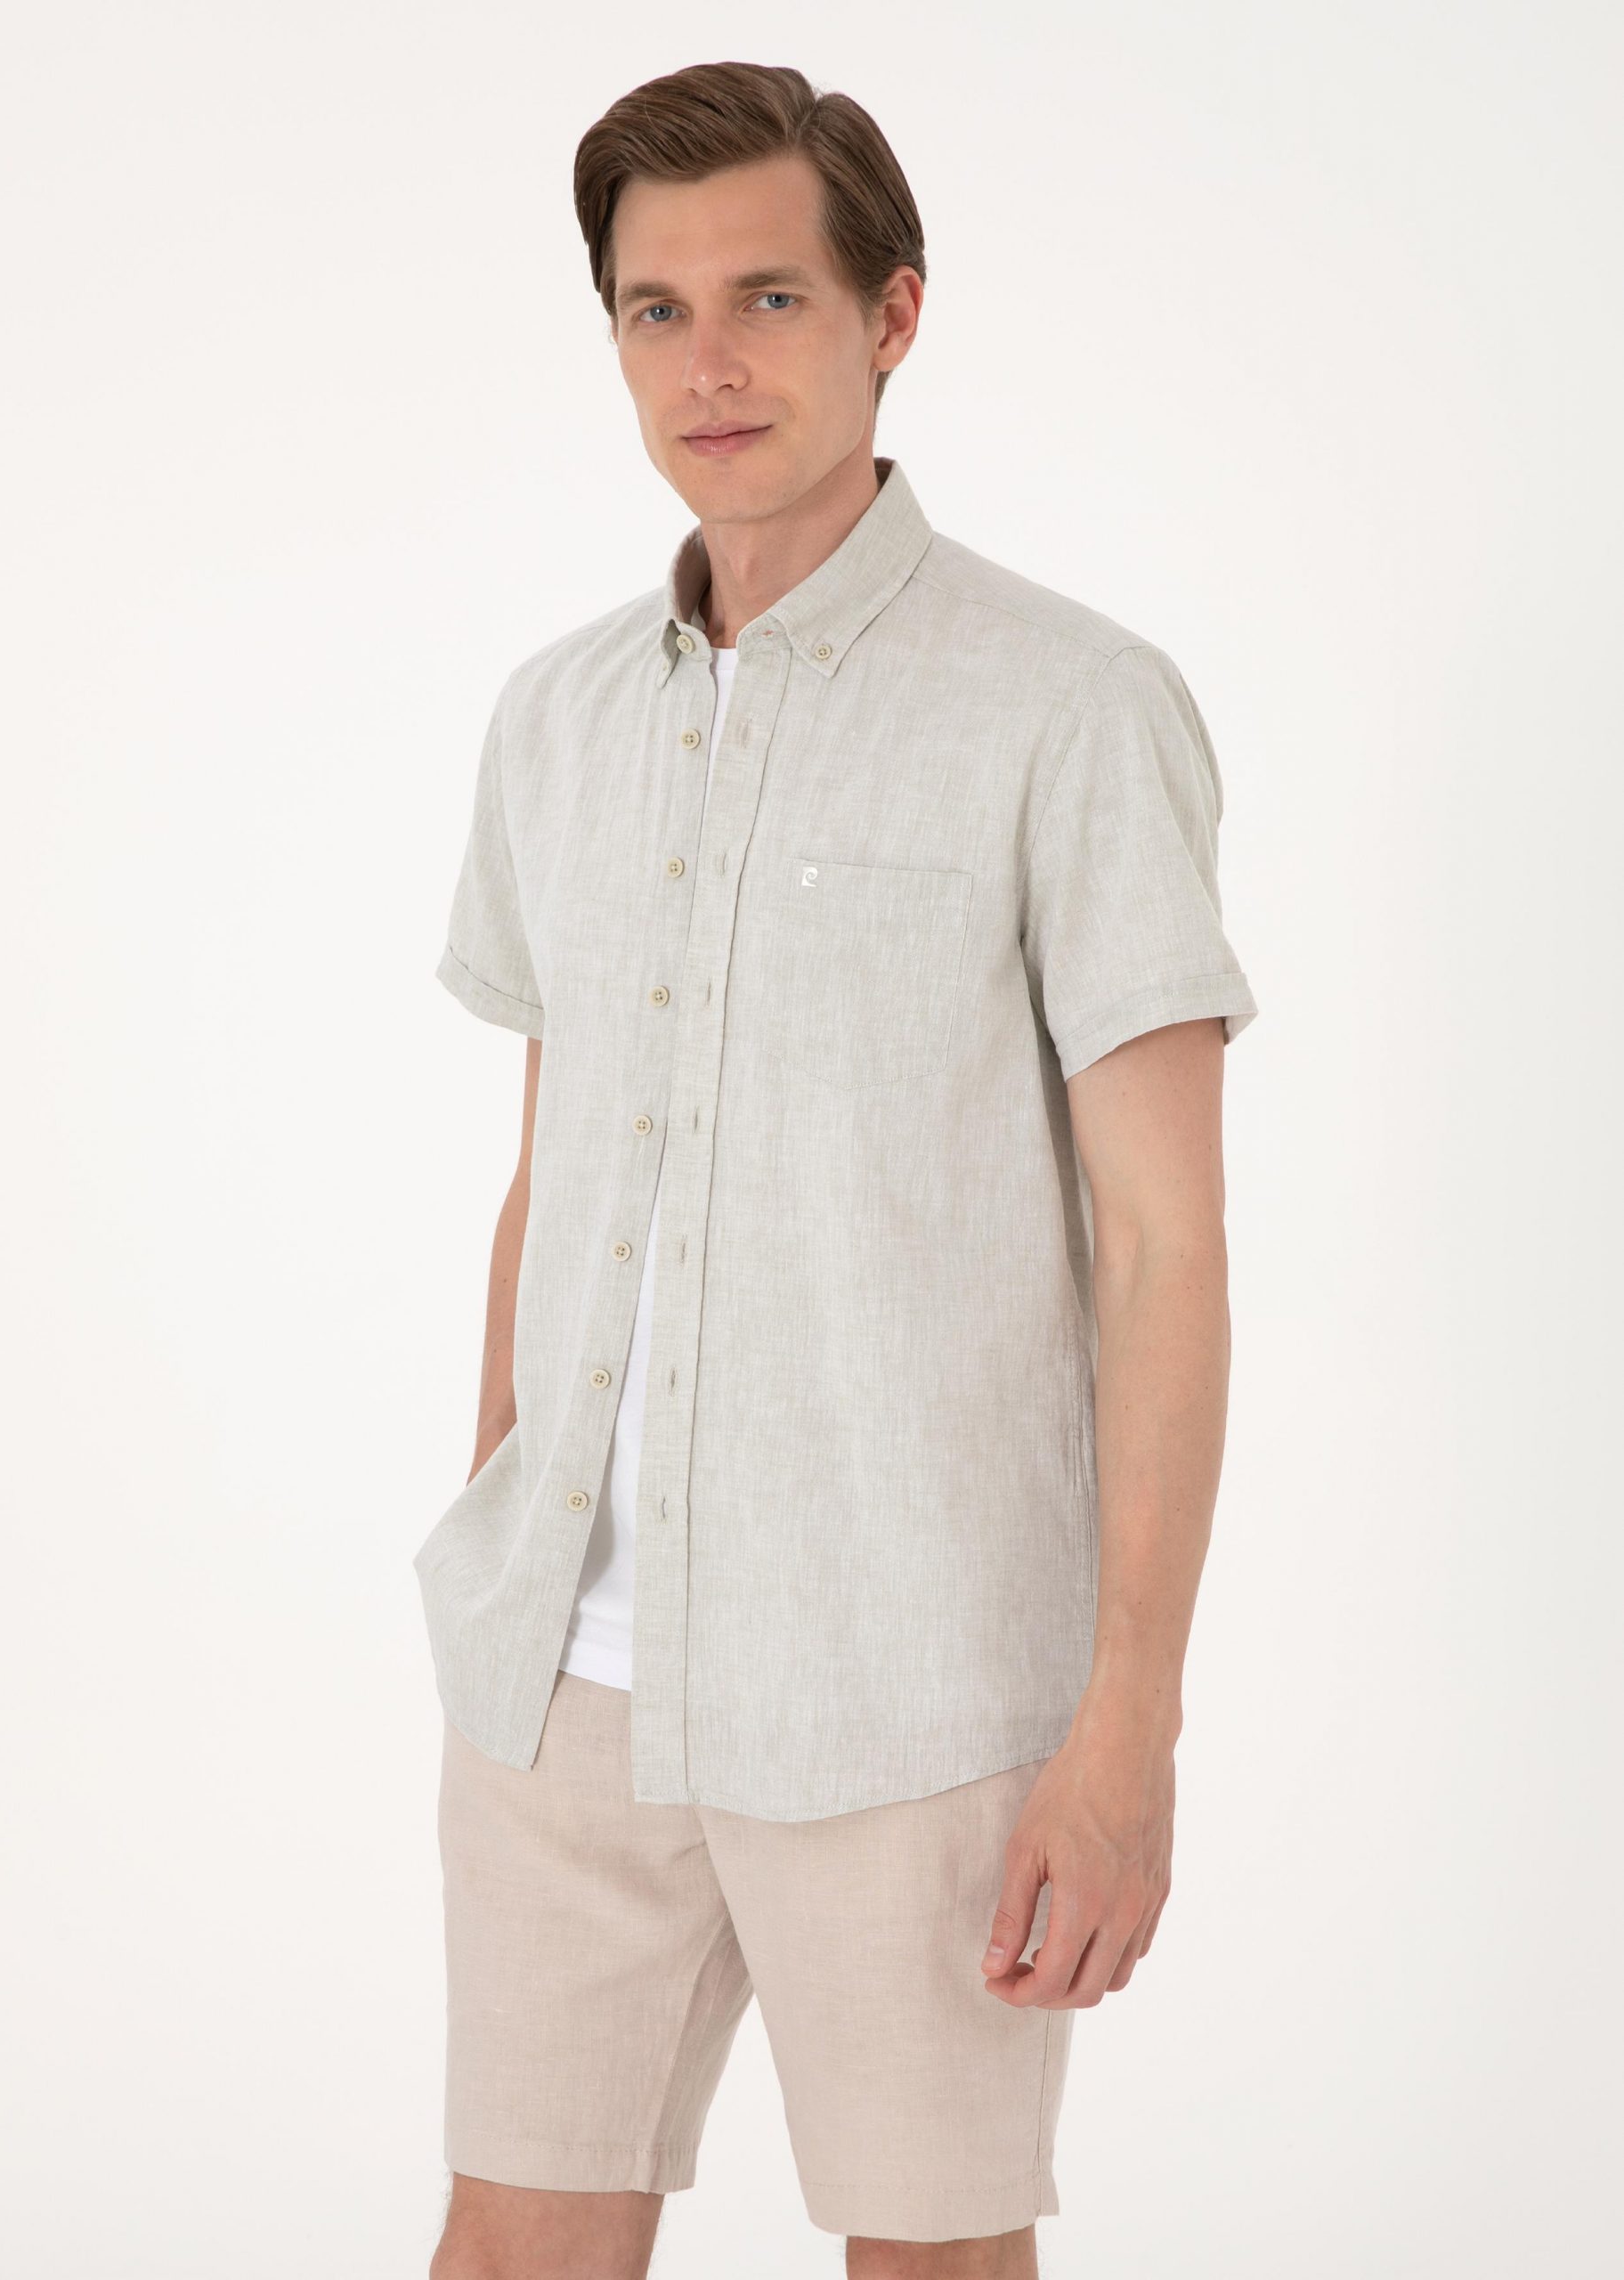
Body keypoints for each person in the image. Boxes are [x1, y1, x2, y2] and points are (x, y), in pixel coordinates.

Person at [417, 58, 1257, 2280]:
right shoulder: (555, 718)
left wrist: (1127, 1726)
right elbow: (548, 1172)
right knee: (506, 2242)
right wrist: (496, 1529)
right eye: (655, 308)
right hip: (564, 1686)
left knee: (932, 2261)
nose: (708, 360)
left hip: (908, 1695)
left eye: (768, 297)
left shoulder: (1069, 707)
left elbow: (1164, 1244)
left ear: (892, 315)